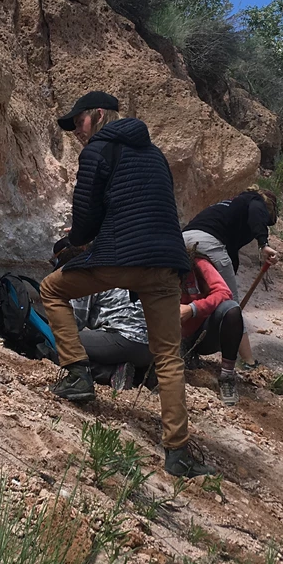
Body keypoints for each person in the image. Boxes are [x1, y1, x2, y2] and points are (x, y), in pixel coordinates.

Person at [40, 90, 214, 477]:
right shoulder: (155, 155)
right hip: (166, 264)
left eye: (79, 122)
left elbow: (86, 217)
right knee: (168, 356)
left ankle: (77, 375)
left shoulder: (98, 150)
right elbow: (149, 208)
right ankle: (178, 454)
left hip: (122, 258)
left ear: (99, 115)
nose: (77, 133)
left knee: (51, 289)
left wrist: (72, 243)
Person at [183, 188, 280, 366]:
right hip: (209, 242)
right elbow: (256, 213)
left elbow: (231, 253)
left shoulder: (228, 206)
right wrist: (263, 244)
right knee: (231, 305)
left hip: (183, 238)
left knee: (196, 294)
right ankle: (249, 362)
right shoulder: (255, 201)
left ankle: (187, 347)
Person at [180, 248, 245, 405]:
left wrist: (192, 309)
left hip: (202, 334)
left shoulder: (196, 262)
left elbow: (224, 293)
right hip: (166, 335)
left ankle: (227, 376)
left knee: (232, 310)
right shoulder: (153, 266)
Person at [72, 289, 153, 390]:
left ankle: (109, 373)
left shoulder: (83, 276)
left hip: (124, 339)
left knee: (61, 342)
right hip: (150, 349)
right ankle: (134, 375)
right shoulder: (125, 274)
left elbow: (73, 322)